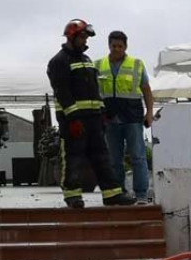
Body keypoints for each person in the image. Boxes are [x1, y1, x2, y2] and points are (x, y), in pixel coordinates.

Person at [47, 19, 134, 208]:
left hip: (94, 119)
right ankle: (72, 196)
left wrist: (102, 112)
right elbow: (62, 92)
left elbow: (94, 90)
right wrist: (73, 119)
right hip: (74, 121)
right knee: (73, 158)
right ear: (72, 37)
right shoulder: (58, 61)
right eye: (83, 37)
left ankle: (111, 194)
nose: (85, 40)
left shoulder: (87, 61)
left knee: (102, 157)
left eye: (86, 37)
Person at [95, 30, 153, 204]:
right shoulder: (98, 65)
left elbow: (147, 91)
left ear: (126, 47)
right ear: (109, 46)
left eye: (120, 46)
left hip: (132, 117)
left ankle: (141, 194)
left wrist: (149, 113)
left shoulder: (137, 64)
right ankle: (118, 193)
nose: (117, 49)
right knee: (114, 159)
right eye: (114, 46)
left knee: (138, 157)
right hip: (109, 118)